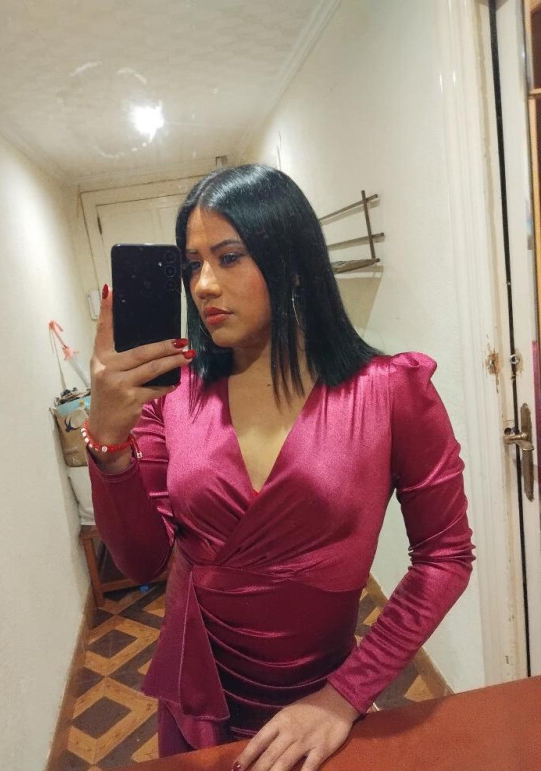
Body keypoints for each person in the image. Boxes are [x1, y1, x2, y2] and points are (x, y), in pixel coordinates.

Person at [86, 164, 474, 771]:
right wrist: (108, 441)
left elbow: (445, 556)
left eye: (228, 257)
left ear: (292, 261)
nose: (203, 285)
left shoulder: (390, 392)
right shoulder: (176, 398)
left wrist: (344, 696)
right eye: (191, 265)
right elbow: (142, 562)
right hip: (198, 699)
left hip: (322, 705)